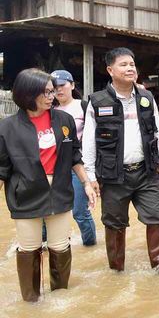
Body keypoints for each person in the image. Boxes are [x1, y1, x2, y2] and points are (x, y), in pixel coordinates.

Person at [0, 68, 98, 302]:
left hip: (60, 190)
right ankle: (31, 301)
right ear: (27, 93)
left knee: (59, 245)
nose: (51, 96)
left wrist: (86, 183)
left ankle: (59, 299)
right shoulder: (7, 127)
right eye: (44, 92)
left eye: (52, 91)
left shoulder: (63, 120)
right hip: (25, 193)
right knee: (29, 247)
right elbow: (2, 168)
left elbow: (75, 156)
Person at [82, 47, 159, 273]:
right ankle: (116, 271)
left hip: (146, 172)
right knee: (114, 224)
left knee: (156, 218)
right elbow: (89, 141)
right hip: (113, 176)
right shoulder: (97, 101)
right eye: (123, 64)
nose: (130, 68)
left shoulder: (146, 98)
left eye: (132, 64)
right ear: (110, 70)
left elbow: (157, 133)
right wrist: (90, 176)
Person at [51, 69, 98, 245]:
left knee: (79, 211)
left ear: (72, 85)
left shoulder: (84, 106)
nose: (58, 90)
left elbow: (95, 137)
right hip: (56, 168)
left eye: (62, 85)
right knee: (50, 211)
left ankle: (90, 245)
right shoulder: (49, 109)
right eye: (54, 87)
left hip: (80, 166)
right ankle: (49, 246)